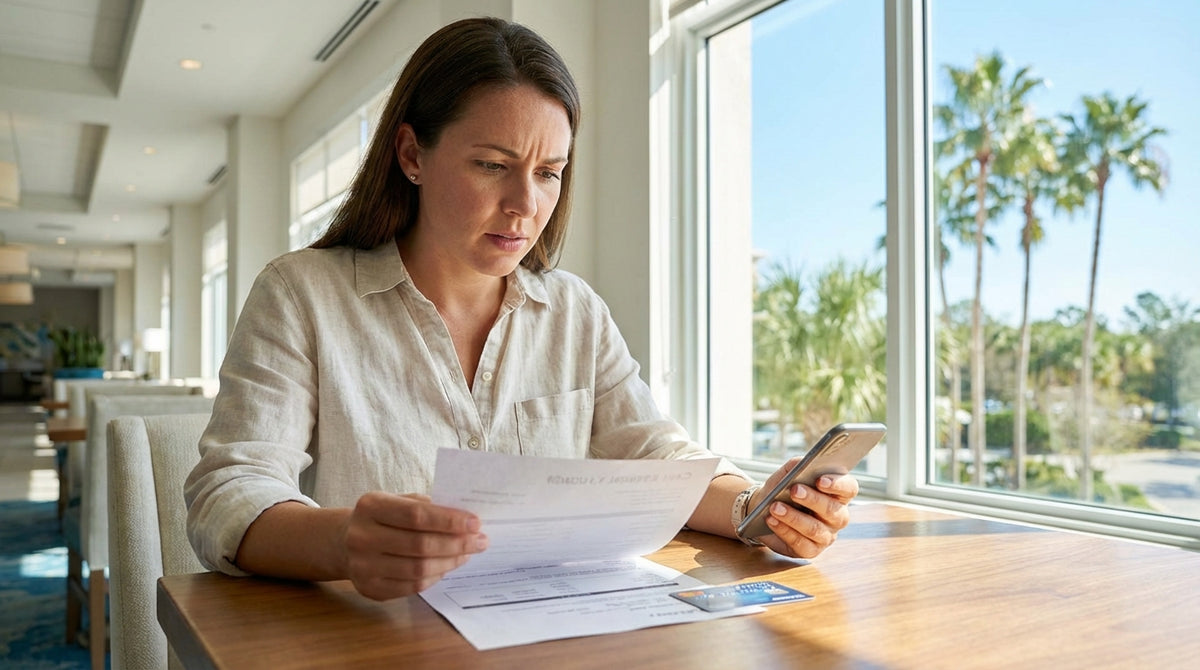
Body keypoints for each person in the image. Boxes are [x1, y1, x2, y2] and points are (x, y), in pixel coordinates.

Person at [184, 16, 860, 602]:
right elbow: (229, 490)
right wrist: (342, 541)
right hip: (375, 642)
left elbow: (656, 455)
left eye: (549, 172)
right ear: (412, 154)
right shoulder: (303, 294)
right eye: (491, 165)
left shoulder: (574, 312)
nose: (525, 206)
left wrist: (758, 509)